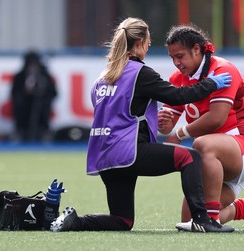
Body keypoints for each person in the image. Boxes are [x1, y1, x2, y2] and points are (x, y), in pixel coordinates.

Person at [50, 17, 234, 233]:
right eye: (147, 43)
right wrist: (210, 84)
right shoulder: (140, 72)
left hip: (104, 156)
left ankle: (76, 221)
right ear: (138, 43)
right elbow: (177, 95)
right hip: (128, 152)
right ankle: (203, 220)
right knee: (190, 157)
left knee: (122, 221)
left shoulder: (104, 76)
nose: (148, 47)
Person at [158, 24, 244, 231]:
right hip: (214, 159)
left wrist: (180, 133)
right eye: (172, 58)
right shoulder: (177, 79)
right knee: (188, 218)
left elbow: (217, 119)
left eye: (180, 56)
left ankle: (210, 220)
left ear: (196, 49)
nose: (176, 63)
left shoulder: (223, 70)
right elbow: (168, 128)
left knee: (202, 145)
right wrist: (164, 121)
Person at [11, 50, 57, 142]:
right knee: (19, 105)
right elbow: (14, 93)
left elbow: (53, 92)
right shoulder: (19, 76)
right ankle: (20, 131)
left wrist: (41, 93)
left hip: (40, 103)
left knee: (43, 105)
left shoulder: (45, 76)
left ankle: (43, 131)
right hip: (24, 104)